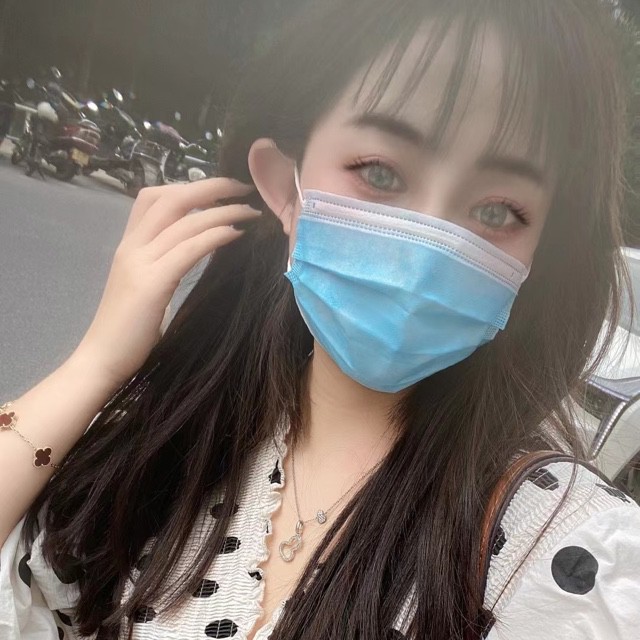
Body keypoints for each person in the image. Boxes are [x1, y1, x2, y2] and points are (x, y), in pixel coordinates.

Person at [1, 1, 639, 638]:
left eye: (498, 211)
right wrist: (97, 363)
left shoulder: (557, 552)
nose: (426, 246)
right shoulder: (176, 434)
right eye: (380, 172)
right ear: (286, 185)